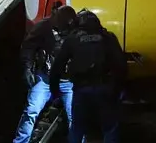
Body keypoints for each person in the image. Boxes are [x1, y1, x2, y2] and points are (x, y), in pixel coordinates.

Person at [50, 9, 127, 143]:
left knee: (77, 128)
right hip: (104, 88)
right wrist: (118, 90)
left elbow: (57, 66)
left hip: (81, 90)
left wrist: (55, 92)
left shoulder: (72, 39)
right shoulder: (108, 37)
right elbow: (121, 65)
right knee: (110, 128)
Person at [12, 4, 78, 143]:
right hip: (46, 79)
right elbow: (28, 48)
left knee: (75, 116)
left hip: (68, 81)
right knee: (31, 111)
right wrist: (27, 68)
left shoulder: (77, 29)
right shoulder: (43, 27)